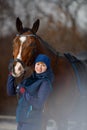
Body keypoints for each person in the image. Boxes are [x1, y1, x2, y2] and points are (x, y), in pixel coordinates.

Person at [7, 54, 54, 130]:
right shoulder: (29, 79)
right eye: (38, 64)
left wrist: (23, 92)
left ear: (47, 67)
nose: (39, 67)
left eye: (43, 65)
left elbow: (38, 104)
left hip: (32, 123)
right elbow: (10, 92)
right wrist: (12, 74)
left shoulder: (45, 83)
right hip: (21, 120)